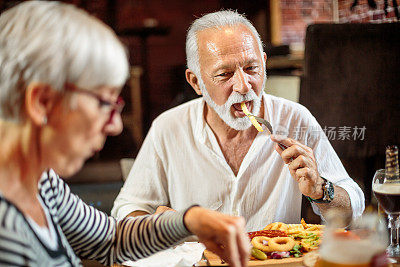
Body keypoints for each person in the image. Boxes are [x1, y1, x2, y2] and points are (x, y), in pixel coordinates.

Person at [0, 2, 250, 266]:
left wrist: (190, 220)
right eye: (104, 103)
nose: (116, 126)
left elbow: (112, 240)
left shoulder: (42, 183)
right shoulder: (7, 234)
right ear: (42, 102)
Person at [112, 10, 365, 231]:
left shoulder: (295, 119)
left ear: (264, 64)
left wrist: (321, 190)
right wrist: (165, 222)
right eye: (224, 74)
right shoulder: (169, 127)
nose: (244, 86)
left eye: (252, 68)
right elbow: (126, 212)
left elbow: (352, 211)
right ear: (196, 82)